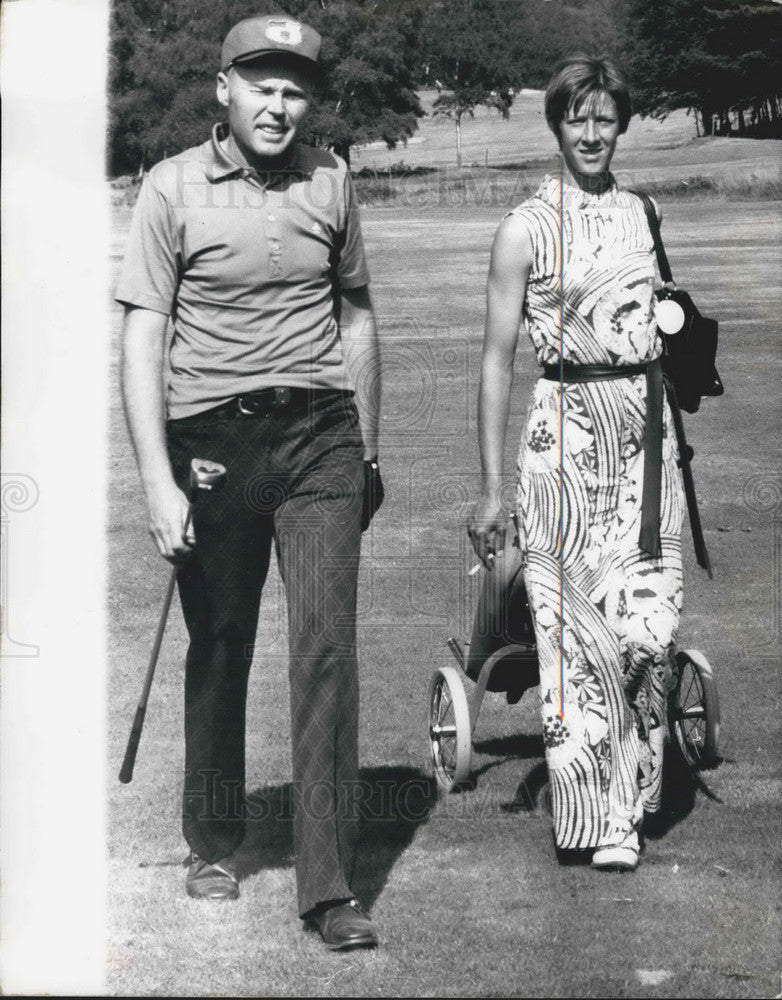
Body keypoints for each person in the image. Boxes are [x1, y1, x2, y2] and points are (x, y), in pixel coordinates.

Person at [116, 14, 383, 950]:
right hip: (212, 444)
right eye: (261, 83)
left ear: (312, 99)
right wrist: (157, 481)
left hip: (320, 437)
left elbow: (356, 315)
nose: (279, 103)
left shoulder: (333, 180)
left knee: (326, 651)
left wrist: (370, 448)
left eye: (296, 87)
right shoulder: (170, 186)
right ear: (223, 87)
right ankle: (215, 839)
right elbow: (144, 333)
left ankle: (330, 883)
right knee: (221, 642)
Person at [468, 56, 685, 872]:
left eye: (605, 118)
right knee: (572, 643)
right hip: (560, 448)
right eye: (576, 118)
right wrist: (493, 487)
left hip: (646, 444)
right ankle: (601, 821)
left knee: (648, 632)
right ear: (556, 124)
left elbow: (664, 316)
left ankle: (635, 792)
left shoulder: (646, 212)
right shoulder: (523, 227)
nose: (592, 133)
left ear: (621, 123)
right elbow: (496, 360)